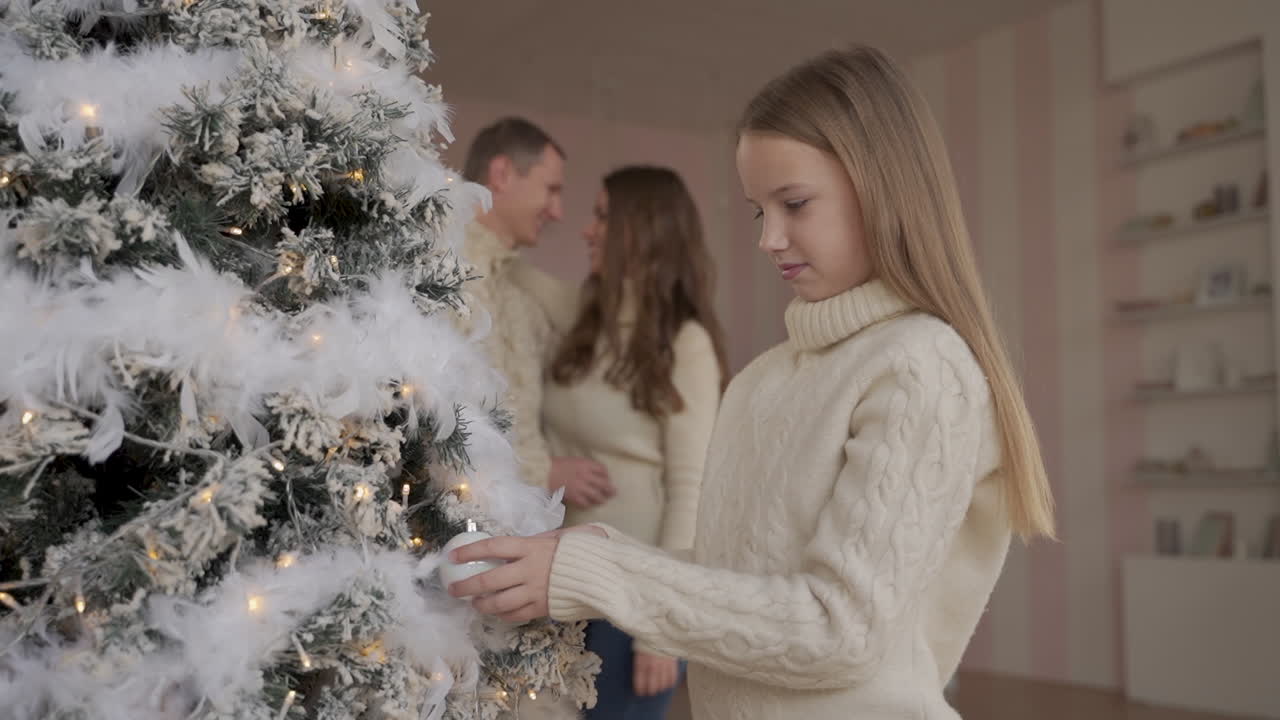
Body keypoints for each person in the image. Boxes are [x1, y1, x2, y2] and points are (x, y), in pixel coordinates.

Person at [448, 46, 1056, 720]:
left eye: (794, 203)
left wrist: (605, 576)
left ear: (882, 188)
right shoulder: (765, 379)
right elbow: (731, 583)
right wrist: (592, 550)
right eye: (759, 211)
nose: (770, 238)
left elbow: (837, 632)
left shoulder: (921, 366)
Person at [542, 166, 727, 717]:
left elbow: (691, 491)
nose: (585, 230)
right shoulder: (581, 320)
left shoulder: (686, 345)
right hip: (557, 584)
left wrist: (661, 631)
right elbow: (502, 275)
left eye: (601, 216)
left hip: (634, 600)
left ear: (639, 231)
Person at [460, 117, 614, 501]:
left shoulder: (520, 297)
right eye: (552, 190)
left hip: (520, 524)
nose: (558, 211)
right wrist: (541, 473)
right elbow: (442, 415)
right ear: (502, 174)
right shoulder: (438, 274)